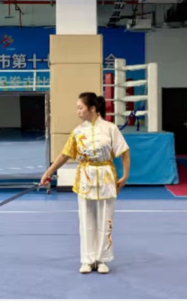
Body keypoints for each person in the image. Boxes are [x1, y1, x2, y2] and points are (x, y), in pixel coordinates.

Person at [40, 92, 131, 274]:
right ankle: (87, 260)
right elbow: (65, 154)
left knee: (105, 219)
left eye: (80, 108)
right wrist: (48, 172)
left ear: (92, 108)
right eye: (77, 108)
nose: (78, 111)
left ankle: (102, 259)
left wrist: (125, 176)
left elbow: (124, 152)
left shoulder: (110, 128)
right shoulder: (78, 131)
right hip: (85, 177)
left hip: (106, 176)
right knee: (86, 220)